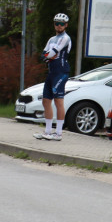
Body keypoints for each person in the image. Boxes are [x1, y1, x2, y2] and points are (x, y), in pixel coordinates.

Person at [35, 12, 72, 140]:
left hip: (61, 72)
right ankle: (47, 131)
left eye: (62, 24)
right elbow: (44, 54)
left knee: (58, 101)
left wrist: (48, 56)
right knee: (46, 101)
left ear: (66, 25)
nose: (59, 26)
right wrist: (47, 56)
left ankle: (59, 133)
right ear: (54, 24)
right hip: (51, 73)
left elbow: (52, 53)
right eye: (57, 23)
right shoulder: (51, 39)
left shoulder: (65, 38)